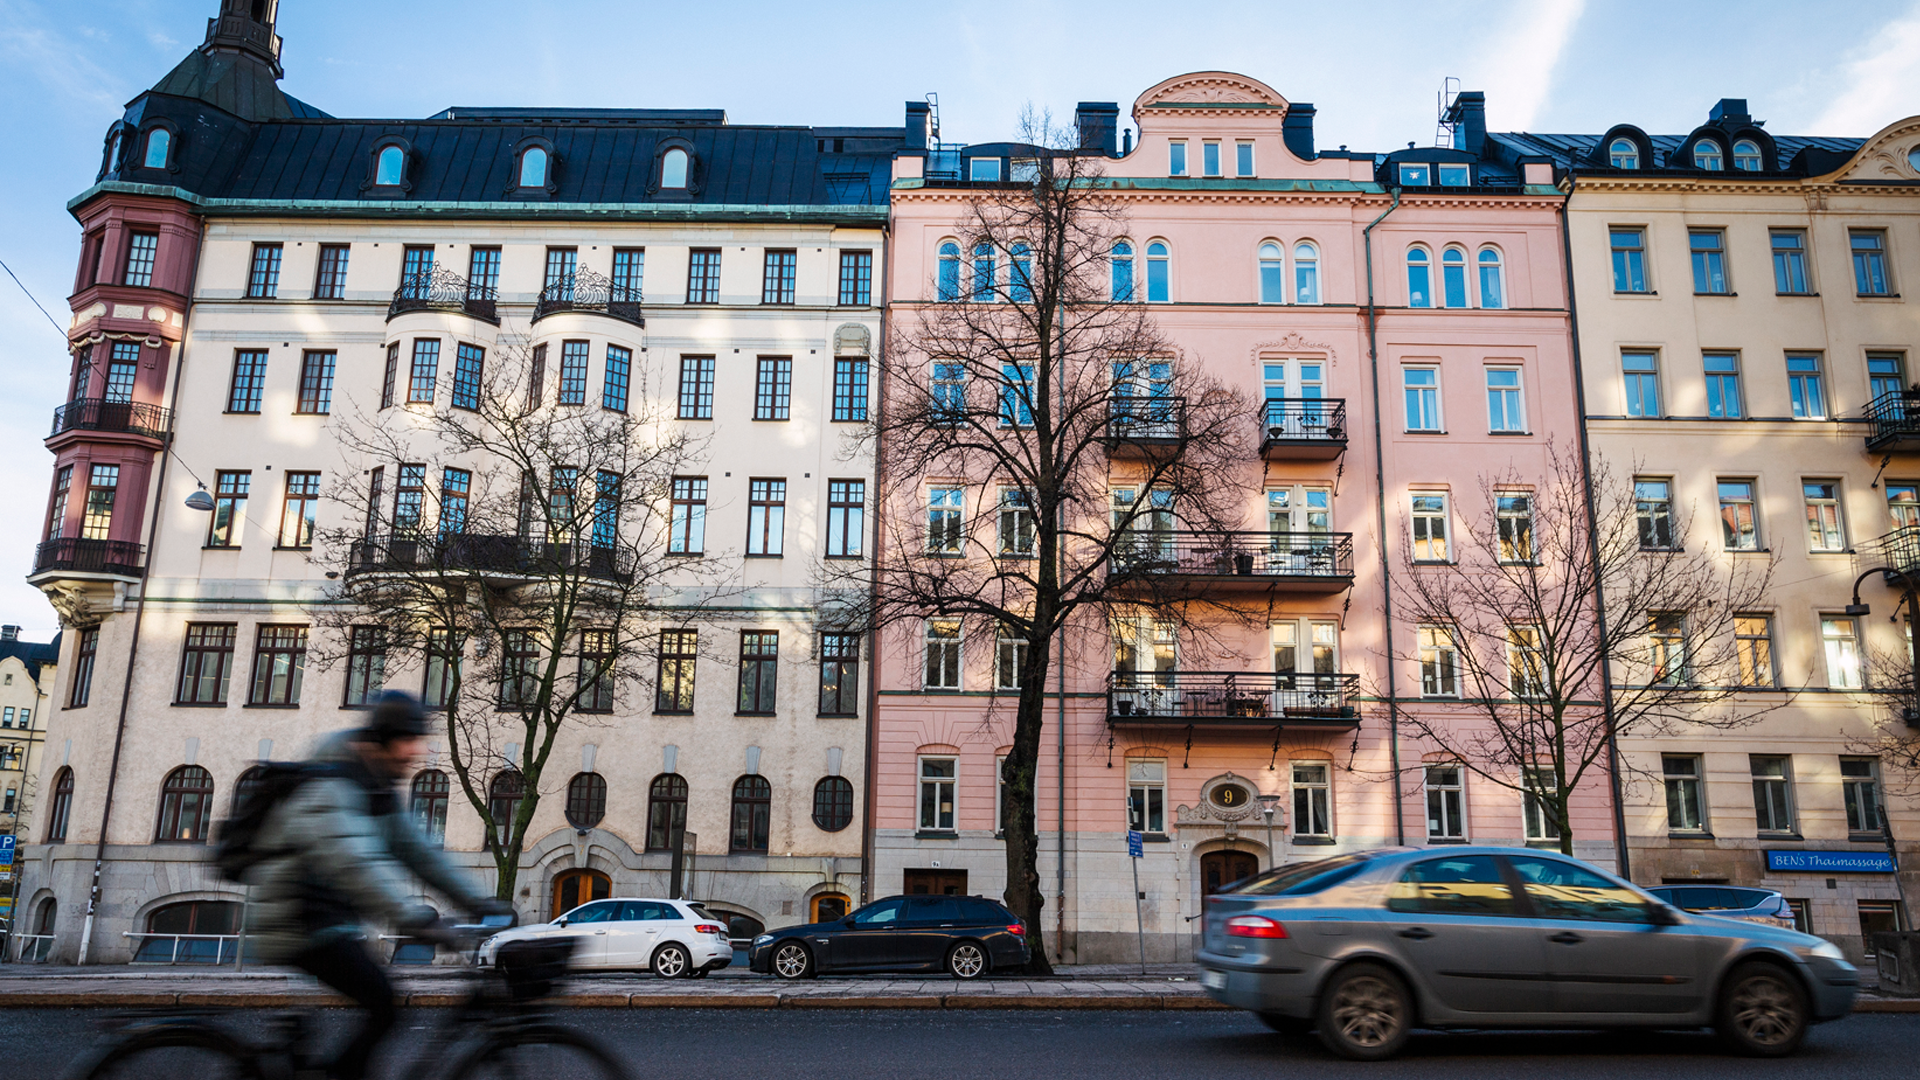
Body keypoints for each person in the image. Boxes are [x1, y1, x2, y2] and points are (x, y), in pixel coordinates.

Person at [245, 691, 503, 1080]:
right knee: (383, 1003)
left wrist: (478, 901)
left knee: (381, 1003)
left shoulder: (376, 786)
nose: (415, 752)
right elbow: (356, 863)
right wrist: (414, 917)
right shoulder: (333, 783)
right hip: (296, 917)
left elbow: (419, 852)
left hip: (327, 915)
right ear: (381, 739)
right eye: (407, 741)